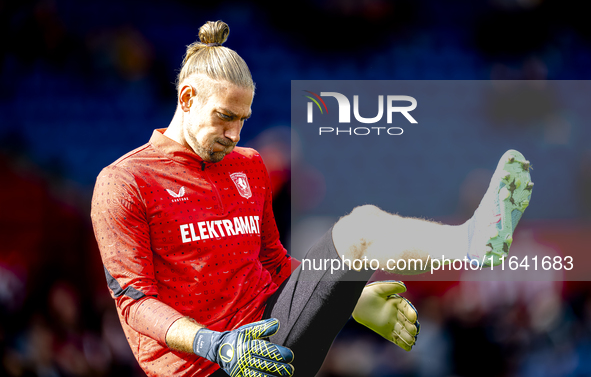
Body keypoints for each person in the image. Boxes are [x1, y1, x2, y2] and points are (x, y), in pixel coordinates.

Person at [90, 20, 533, 377]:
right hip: (210, 365)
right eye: (224, 117)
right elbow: (134, 300)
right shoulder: (125, 181)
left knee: (363, 228)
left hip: (270, 344)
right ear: (187, 98)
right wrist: (217, 345)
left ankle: (476, 241)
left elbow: (275, 265)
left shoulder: (248, 165)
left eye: (242, 119)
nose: (234, 134)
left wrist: (349, 300)